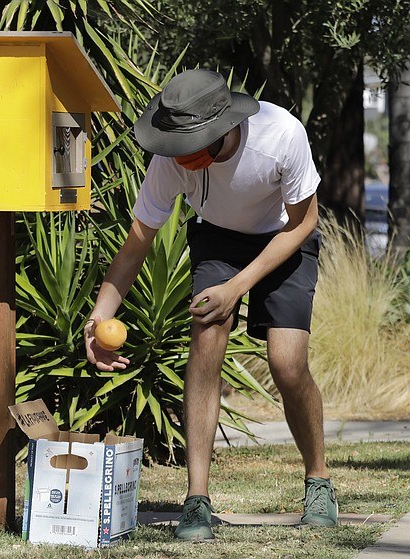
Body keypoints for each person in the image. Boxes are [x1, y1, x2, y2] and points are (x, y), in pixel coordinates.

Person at [83, 69, 337, 541]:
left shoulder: (281, 135)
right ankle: (196, 498)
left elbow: (305, 223)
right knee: (206, 343)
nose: (182, 155)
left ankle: (318, 479)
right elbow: (136, 244)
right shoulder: (174, 157)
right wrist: (101, 315)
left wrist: (237, 287)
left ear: (222, 127)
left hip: (285, 239)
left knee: (287, 363)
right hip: (218, 240)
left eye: (193, 143)